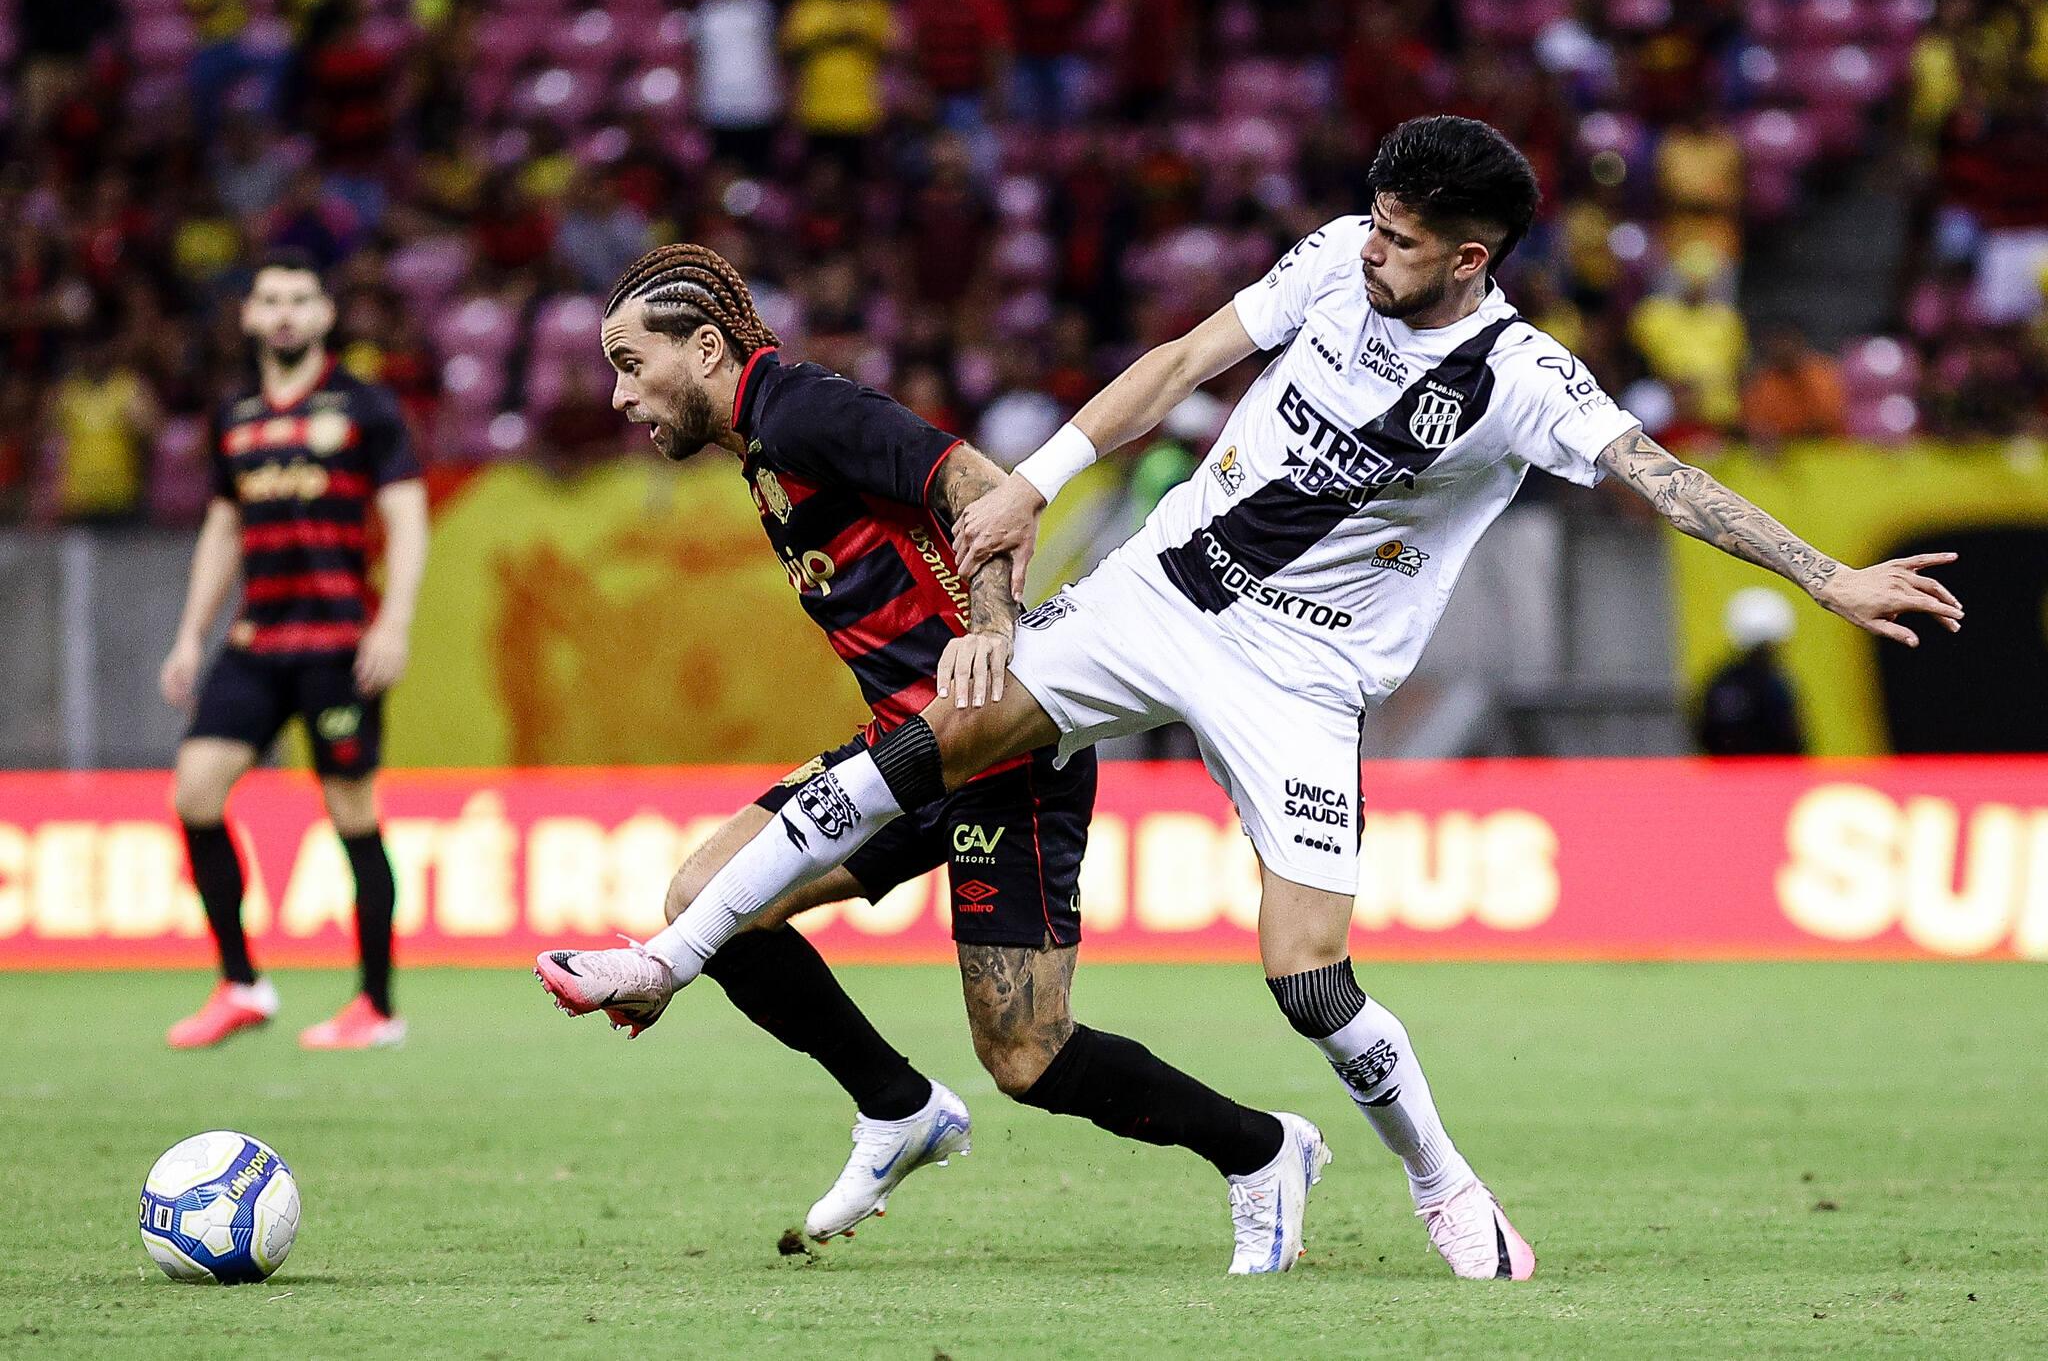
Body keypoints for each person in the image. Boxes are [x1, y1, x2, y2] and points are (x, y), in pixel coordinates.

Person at [540, 117, 1965, 1281]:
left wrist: (1828, 574)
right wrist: (1040, 484)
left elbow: (1667, 480)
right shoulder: (1334, 261)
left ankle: (1439, 1178)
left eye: (1404, 238)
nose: (1374, 246)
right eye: (1375, 220)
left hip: (1304, 675)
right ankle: (670, 957)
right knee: (941, 734)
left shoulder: (1526, 381)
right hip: (1159, 598)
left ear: (1468, 258)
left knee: (1308, 982)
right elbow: (1179, 365)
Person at [537, 245, 1310, 1270]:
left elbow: (977, 484)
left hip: (1000, 752)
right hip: (902, 757)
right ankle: (896, 1107)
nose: (621, 393)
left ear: (707, 348)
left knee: (1027, 1056)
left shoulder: (803, 407)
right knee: (710, 898)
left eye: (631, 364)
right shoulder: (761, 445)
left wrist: (989, 630)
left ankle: (1262, 1152)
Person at [158, 250, 430, 1051]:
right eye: (269, 299)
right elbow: (222, 526)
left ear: (323, 316)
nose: (283, 312)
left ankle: (376, 1006)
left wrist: (395, 622)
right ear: (248, 316)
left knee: (351, 812)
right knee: (195, 792)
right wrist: (189, 633)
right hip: (254, 640)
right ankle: (242, 982)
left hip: (338, 642)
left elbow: (408, 516)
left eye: (299, 299)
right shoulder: (234, 414)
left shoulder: (364, 407)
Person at [1696, 587, 1808, 756]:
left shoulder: (1721, 679)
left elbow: (1702, 732)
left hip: (1725, 777)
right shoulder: (1774, 684)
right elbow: (1791, 736)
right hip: (1770, 775)